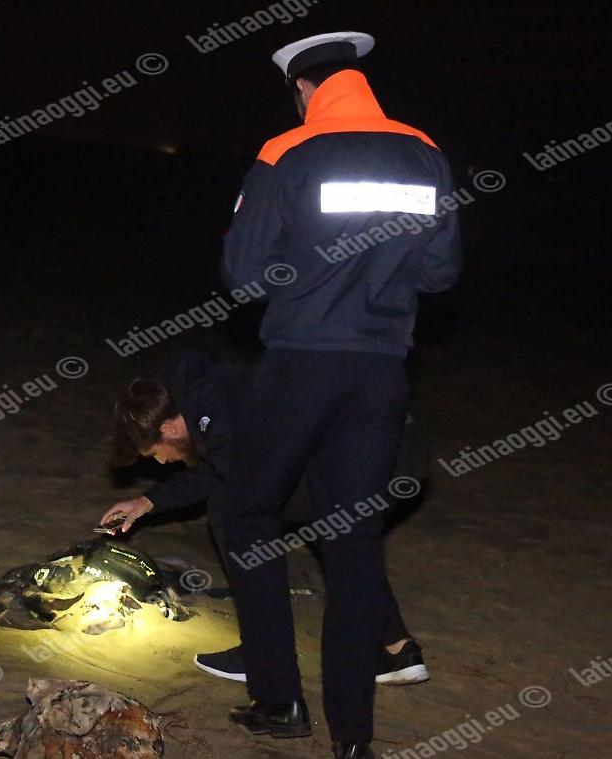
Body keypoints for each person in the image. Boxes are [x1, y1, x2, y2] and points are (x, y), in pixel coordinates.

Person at [216, 32, 462, 759]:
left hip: (300, 365)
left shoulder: (286, 151)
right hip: (382, 370)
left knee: (246, 514)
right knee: (351, 542)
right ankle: (353, 740)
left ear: (301, 89)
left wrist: (309, 279)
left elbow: (244, 275)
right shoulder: (425, 151)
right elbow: (442, 273)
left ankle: (278, 697)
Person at [101, 349, 431, 688]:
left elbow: (224, 475)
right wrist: (146, 501)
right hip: (396, 446)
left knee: (232, 515)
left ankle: (262, 656)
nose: (161, 462)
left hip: (376, 458)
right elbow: (224, 466)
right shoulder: (199, 393)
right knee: (334, 532)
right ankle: (398, 651)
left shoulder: (220, 412)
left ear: (168, 428)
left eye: (154, 453)